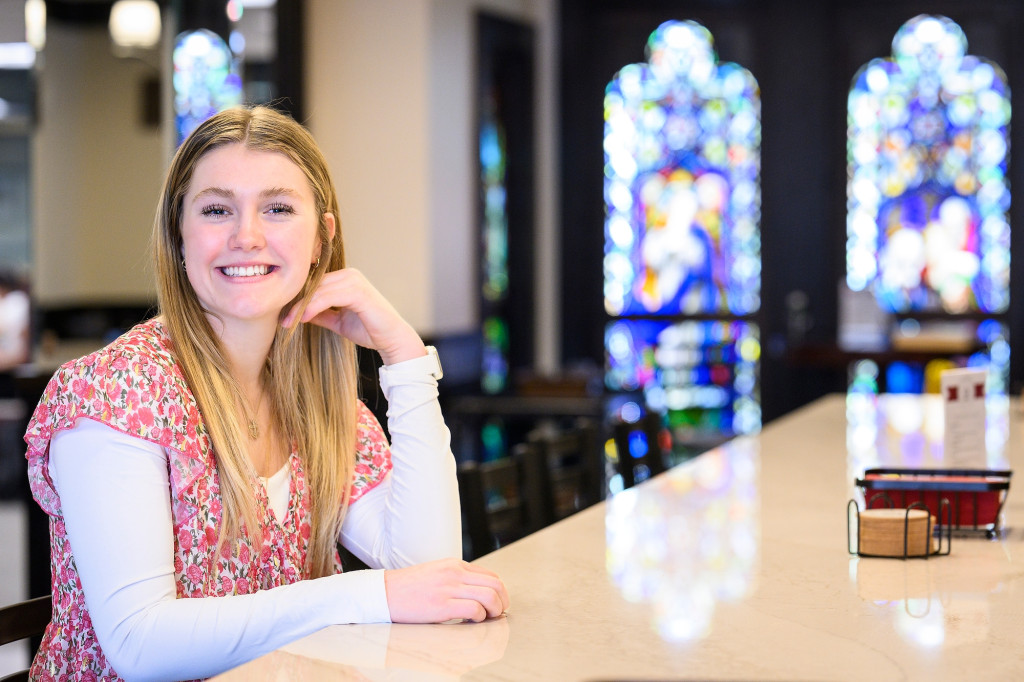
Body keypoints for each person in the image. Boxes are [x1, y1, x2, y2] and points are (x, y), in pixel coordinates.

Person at [24, 105, 509, 681]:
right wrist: (364, 594)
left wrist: (404, 356)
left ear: (321, 240)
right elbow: (139, 643)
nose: (246, 235)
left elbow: (430, 574)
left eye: (277, 208)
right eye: (216, 210)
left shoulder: (321, 406)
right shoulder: (117, 392)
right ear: (178, 233)